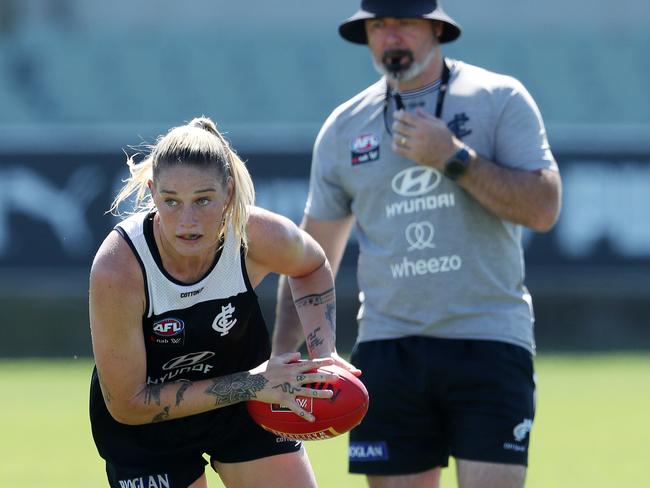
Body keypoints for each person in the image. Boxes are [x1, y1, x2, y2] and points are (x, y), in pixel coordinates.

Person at [272, 1, 562, 487]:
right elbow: (310, 257)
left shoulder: (499, 97)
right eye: (378, 25)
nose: (390, 36)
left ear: (436, 29)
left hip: (489, 338)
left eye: (404, 22)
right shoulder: (345, 127)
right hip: (388, 349)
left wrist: (453, 157)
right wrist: (281, 352)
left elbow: (544, 207)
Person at [88, 116, 355, 488]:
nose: (187, 221)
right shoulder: (119, 268)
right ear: (152, 193)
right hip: (149, 430)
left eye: (203, 200)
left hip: (245, 407)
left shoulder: (255, 235)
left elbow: (311, 265)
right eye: (171, 201)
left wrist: (323, 351)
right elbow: (128, 404)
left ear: (228, 192)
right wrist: (253, 383)